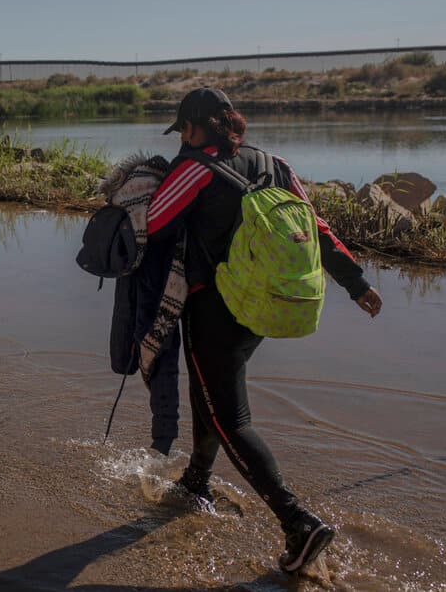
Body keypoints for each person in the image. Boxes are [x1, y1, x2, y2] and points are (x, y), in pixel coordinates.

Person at [147, 88, 382, 573]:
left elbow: (153, 222)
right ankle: (195, 481)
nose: (181, 140)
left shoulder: (192, 168)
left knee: (231, 416)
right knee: (211, 394)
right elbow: (315, 227)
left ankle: (298, 523)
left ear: (195, 127)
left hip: (216, 309)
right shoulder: (275, 164)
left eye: (182, 131)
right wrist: (355, 283)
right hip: (262, 306)